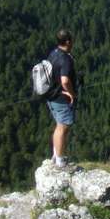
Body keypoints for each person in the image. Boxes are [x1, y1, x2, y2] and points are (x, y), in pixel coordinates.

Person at [46, 29, 77, 167]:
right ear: (68, 42)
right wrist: (71, 93)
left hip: (51, 96)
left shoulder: (53, 53)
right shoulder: (65, 58)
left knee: (59, 126)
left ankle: (55, 155)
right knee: (63, 128)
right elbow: (65, 80)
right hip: (61, 99)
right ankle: (59, 160)